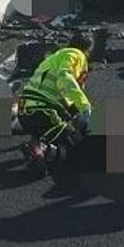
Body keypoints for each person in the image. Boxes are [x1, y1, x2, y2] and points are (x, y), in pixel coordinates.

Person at [16, 33, 94, 166]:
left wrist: (72, 108)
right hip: (44, 111)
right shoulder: (76, 54)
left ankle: (36, 145)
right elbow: (64, 77)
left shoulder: (53, 58)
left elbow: (61, 94)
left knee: (48, 125)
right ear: (87, 50)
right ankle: (47, 153)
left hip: (25, 113)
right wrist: (84, 106)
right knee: (75, 143)